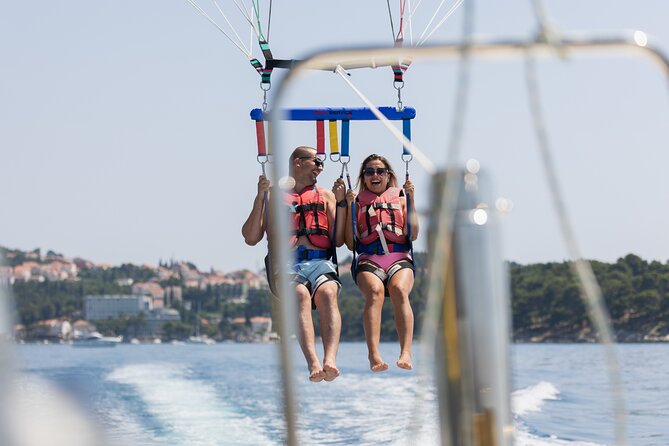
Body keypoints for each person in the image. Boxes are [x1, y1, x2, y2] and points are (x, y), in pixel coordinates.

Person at [242, 146, 348, 382]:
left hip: (321, 262)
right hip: (287, 265)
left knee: (329, 293)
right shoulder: (271, 196)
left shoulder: (326, 196)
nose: (320, 168)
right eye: (317, 162)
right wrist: (260, 197)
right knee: (300, 294)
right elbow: (250, 238)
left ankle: (330, 359)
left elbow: (339, 240)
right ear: (298, 162)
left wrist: (342, 205)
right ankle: (313, 363)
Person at [344, 153, 419, 372]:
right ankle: (374, 355)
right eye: (369, 172)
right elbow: (350, 243)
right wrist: (347, 207)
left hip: (399, 257)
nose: (374, 175)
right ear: (363, 178)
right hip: (369, 259)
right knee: (375, 292)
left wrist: (412, 202)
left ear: (388, 176)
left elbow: (412, 235)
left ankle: (406, 352)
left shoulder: (402, 199)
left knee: (398, 290)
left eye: (380, 171)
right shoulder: (356, 204)